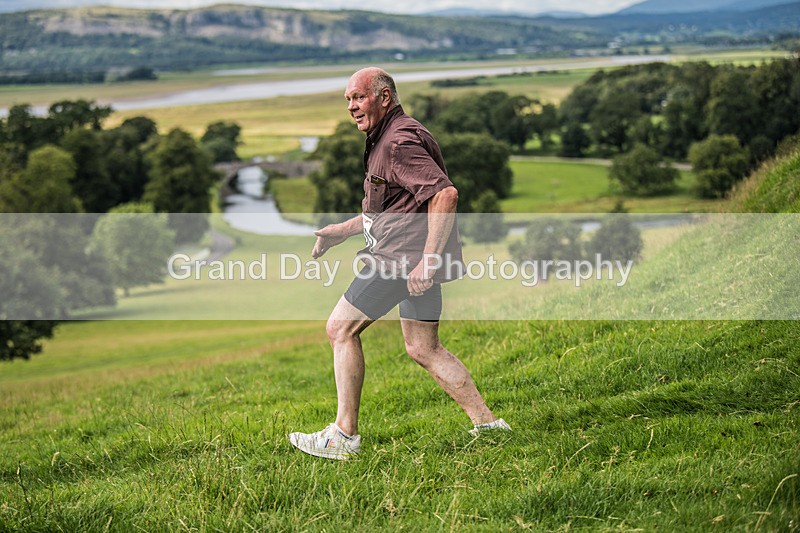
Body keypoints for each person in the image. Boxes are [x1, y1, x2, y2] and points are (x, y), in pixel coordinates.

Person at [288, 67, 510, 460]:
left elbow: (445, 195)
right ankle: (490, 427)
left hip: (398, 261)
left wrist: (426, 262)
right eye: (348, 100)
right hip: (408, 257)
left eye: (359, 97)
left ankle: (343, 436)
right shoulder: (389, 135)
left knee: (340, 328)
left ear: (385, 96)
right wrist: (343, 230)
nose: (353, 107)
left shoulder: (397, 142)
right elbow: (396, 208)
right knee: (424, 347)